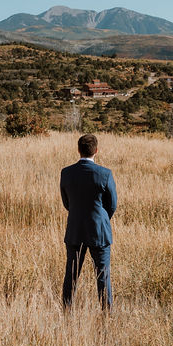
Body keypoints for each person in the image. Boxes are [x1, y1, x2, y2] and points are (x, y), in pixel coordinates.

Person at [59, 133, 117, 310]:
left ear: (78, 150)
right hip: (99, 231)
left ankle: (67, 312)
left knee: (71, 274)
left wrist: (78, 214)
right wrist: (100, 218)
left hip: (75, 230)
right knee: (103, 276)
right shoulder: (105, 174)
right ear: (96, 151)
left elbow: (66, 202)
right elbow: (112, 204)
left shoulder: (66, 173)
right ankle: (106, 315)